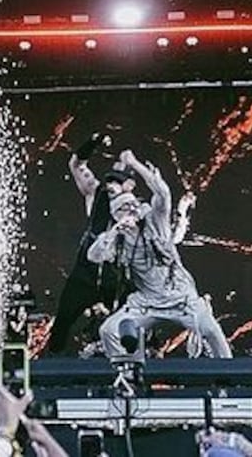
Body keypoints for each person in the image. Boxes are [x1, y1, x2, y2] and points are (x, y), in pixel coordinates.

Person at [88, 149, 232, 360]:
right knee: (109, 330)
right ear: (115, 215)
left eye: (132, 205)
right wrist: (114, 232)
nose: (129, 210)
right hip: (146, 303)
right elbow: (94, 256)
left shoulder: (156, 223)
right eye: (122, 208)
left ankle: (228, 376)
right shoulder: (117, 240)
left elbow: (163, 193)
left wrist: (135, 163)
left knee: (212, 332)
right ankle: (127, 371)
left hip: (182, 299)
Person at [44, 132, 129, 354]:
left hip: (114, 276)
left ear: (128, 186)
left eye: (118, 181)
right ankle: (51, 363)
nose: (112, 185)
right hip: (85, 273)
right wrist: (93, 141)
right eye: (110, 180)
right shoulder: (96, 192)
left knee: (124, 325)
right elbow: (76, 164)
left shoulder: (135, 210)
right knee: (63, 320)